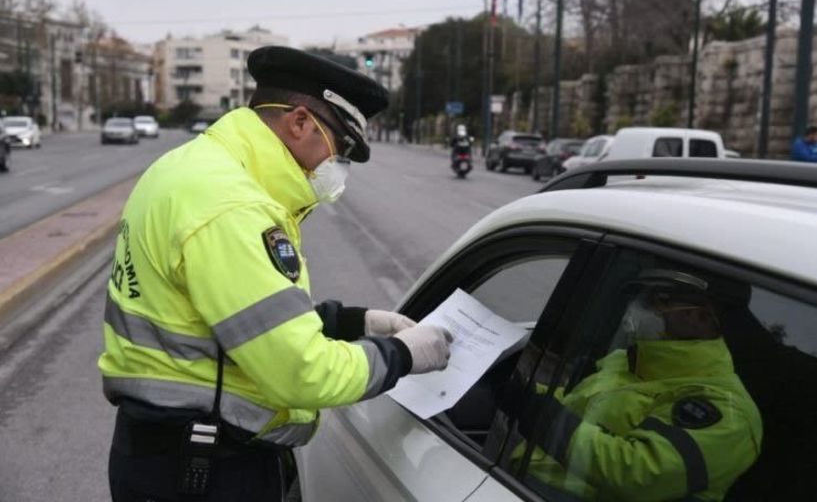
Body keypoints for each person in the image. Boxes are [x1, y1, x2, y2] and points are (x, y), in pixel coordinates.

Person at [98, 46, 453, 502]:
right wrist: (402, 355)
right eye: (340, 147)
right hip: (203, 471)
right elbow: (302, 375)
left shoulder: (191, 168)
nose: (336, 166)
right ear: (300, 122)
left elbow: (219, 321)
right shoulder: (233, 206)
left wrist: (348, 322)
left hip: (167, 454)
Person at [513, 269, 762, 501]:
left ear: (700, 318)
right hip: (522, 481)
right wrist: (524, 388)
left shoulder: (726, 410)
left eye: (656, 300)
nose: (637, 307)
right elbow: (580, 403)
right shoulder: (630, 361)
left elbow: (636, 472)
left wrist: (542, 416)